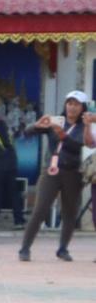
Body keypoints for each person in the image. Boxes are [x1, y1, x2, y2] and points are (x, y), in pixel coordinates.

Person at [19, 93, 88, 262]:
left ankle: (63, 248)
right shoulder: (56, 121)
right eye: (69, 103)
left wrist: (62, 135)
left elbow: (78, 147)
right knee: (40, 209)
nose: (72, 107)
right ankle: (25, 248)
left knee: (70, 212)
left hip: (73, 172)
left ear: (83, 108)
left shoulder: (84, 126)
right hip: (52, 170)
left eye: (77, 104)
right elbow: (26, 133)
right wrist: (36, 125)